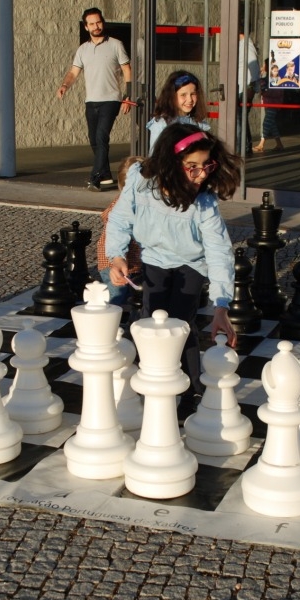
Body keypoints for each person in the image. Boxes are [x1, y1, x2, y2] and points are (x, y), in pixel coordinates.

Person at [105, 123, 240, 419]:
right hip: (154, 259)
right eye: (192, 167)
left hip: (190, 264)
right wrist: (115, 256)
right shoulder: (140, 182)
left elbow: (219, 252)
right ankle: (149, 381)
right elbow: (119, 220)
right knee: (152, 320)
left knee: (181, 325)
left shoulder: (203, 203)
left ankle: (192, 391)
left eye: (206, 166)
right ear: (170, 162)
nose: (201, 174)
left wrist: (221, 305)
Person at [57, 8, 133, 192]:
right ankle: (106, 175)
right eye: (91, 23)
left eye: (98, 22)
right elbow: (74, 72)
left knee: (101, 137)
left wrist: (127, 95)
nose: (96, 26)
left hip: (111, 99)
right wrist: (65, 85)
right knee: (93, 139)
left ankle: (96, 178)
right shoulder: (83, 49)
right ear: (86, 27)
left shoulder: (116, 44)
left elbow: (126, 70)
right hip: (91, 101)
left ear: (102, 23)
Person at [95, 156, 143, 305]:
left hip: (136, 265)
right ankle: (107, 318)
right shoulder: (119, 208)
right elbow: (116, 230)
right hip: (113, 263)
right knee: (117, 296)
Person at [146, 70, 210, 154]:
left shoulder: (198, 122)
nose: (190, 99)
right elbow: (155, 156)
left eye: (193, 94)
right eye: (183, 95)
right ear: (171, 96)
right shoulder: (162, 123)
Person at [236, 31, 260, 155]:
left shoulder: (246, 44)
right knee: (241, 118)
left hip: (244, 88)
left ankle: (242, 150)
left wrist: (250, 88)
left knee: (239, 119)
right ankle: (246, 147)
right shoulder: (241, 44)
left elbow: (254, 67)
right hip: (240, 87)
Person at [254, 60, 284, 153]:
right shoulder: (266, 77)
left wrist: (265, 93)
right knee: (272, 124)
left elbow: (277, 91)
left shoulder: (276, 78)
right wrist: (260, 74)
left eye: (265, 64)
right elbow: (258, 86)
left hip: (273, 103)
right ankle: (279, 144)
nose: (264, 66)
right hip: (267, 103)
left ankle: (261, 144)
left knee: (266, 123)